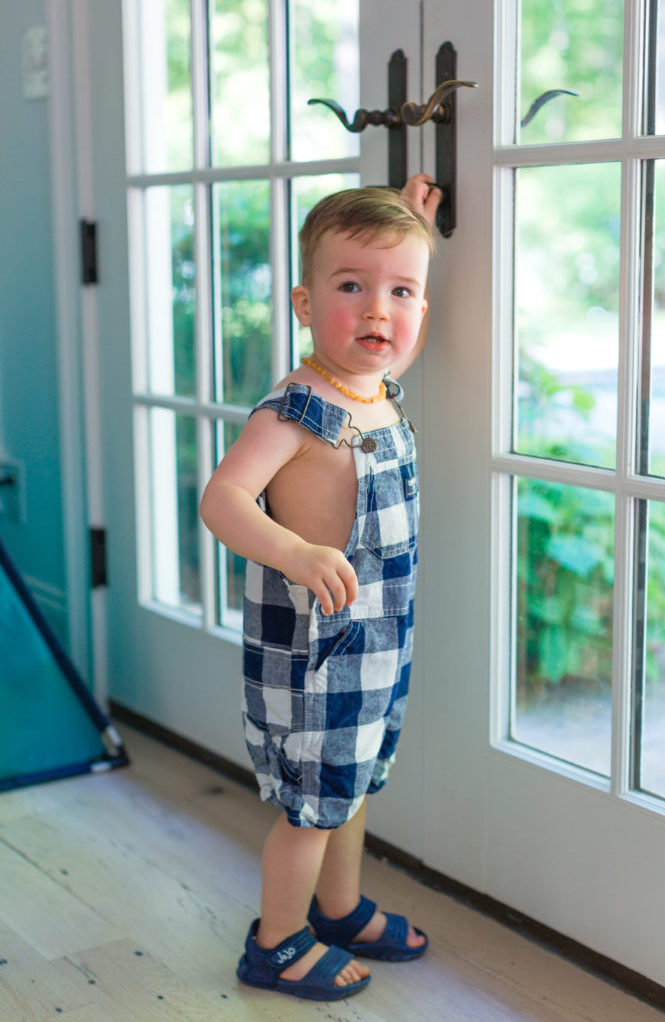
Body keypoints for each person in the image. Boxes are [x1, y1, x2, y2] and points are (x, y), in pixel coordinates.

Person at [199, 174, 441, 1001]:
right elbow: (222, 499)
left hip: (377, 644)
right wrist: (295, 551)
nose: (379, 311)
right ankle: (276, 943)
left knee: (354, 783)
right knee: (310, 807)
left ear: (423, 310)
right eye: (351, 288)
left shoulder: (373, 390)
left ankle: (336, 908)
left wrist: (410, 227)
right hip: (317, 655)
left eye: (400, 291)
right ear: (304, 305)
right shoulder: (299, 410)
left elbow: (394, 278)